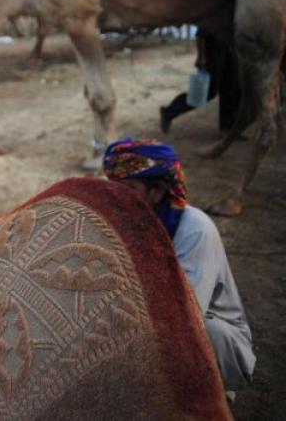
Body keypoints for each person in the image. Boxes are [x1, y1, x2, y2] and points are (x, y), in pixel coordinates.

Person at [103, 138, 255, 395]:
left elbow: (187, 312)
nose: (117, 199)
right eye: (114, 190)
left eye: (128, 188)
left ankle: (210, 395)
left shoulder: (195, 229)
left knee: (205, 331)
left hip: (206, 334)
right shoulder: (129, 222)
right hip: (151, 323)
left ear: (157, 191)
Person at [159, 28, 241, 134]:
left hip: (229, 49)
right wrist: (201, 57)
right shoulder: (214, 13)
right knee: (208, 92)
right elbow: (200, 33)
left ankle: (227, 127)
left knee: (230, 87)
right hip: (213, 51)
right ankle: (169, 112)